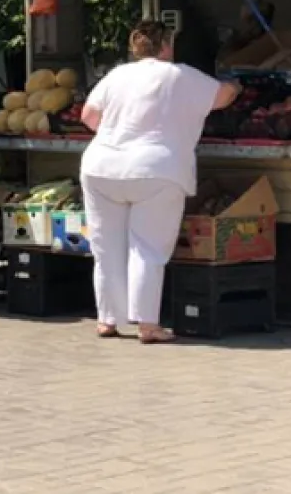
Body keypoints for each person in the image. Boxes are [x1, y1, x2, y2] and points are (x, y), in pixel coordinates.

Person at [79, 21, 241, 344]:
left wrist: (119, 137)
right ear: (166, 46)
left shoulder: (117, 75)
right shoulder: (179, 74)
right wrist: (237, 86)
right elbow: (221, 97)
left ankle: (106, 320)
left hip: (101, 166)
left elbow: (88, 115)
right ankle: (147, 325)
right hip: (156, 169)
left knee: (106, 246)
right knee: (148, 247)